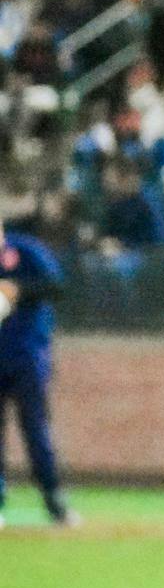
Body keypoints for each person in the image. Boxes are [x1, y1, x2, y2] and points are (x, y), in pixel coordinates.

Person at [0, 209, 72, 528]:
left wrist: (18, 290)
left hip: (28, 356)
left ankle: (54, 500)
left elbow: (56, 287)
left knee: (36, 429)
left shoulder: (26, 251)